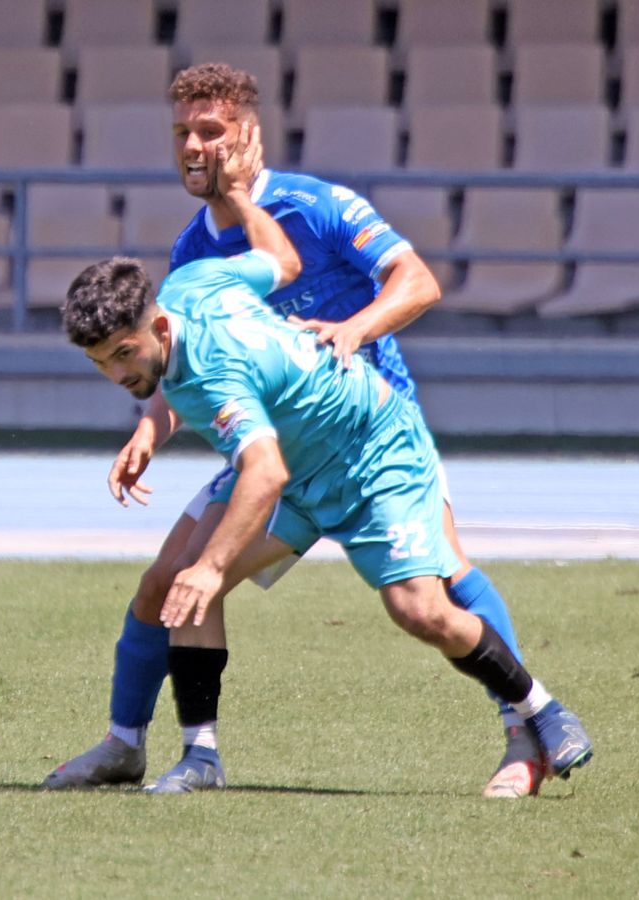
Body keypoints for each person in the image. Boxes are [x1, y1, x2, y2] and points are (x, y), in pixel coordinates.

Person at [43, 63, 546, 797]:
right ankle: (127, 745)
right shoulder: (191, 250)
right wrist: (152, 428)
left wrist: (354, 328)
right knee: (169, 581)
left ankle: (523, 737)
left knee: (441, 585)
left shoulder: (318, 205)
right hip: (268, 445)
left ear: (247, 133)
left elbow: (419, 282)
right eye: (182, 131)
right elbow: (181, 365)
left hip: (365, 429)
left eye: (210, 131)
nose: (193, 145)